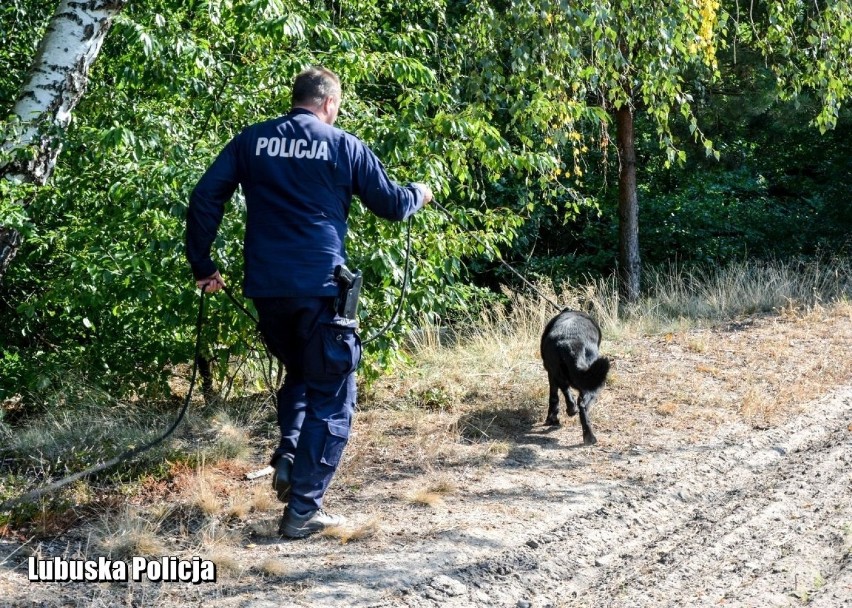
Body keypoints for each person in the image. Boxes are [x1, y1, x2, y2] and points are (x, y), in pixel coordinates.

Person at [185, 66, 432, 538]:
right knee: (334, 395)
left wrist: (203, 263)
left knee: (300, 371)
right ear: (330, 104)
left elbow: (205, 196)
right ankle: (303, 510)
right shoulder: (344, 145)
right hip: (321, 289)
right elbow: (393, 205)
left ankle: (291, 455)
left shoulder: (252, 141)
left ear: (295, 98)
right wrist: (420, 192)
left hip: (268, 290)